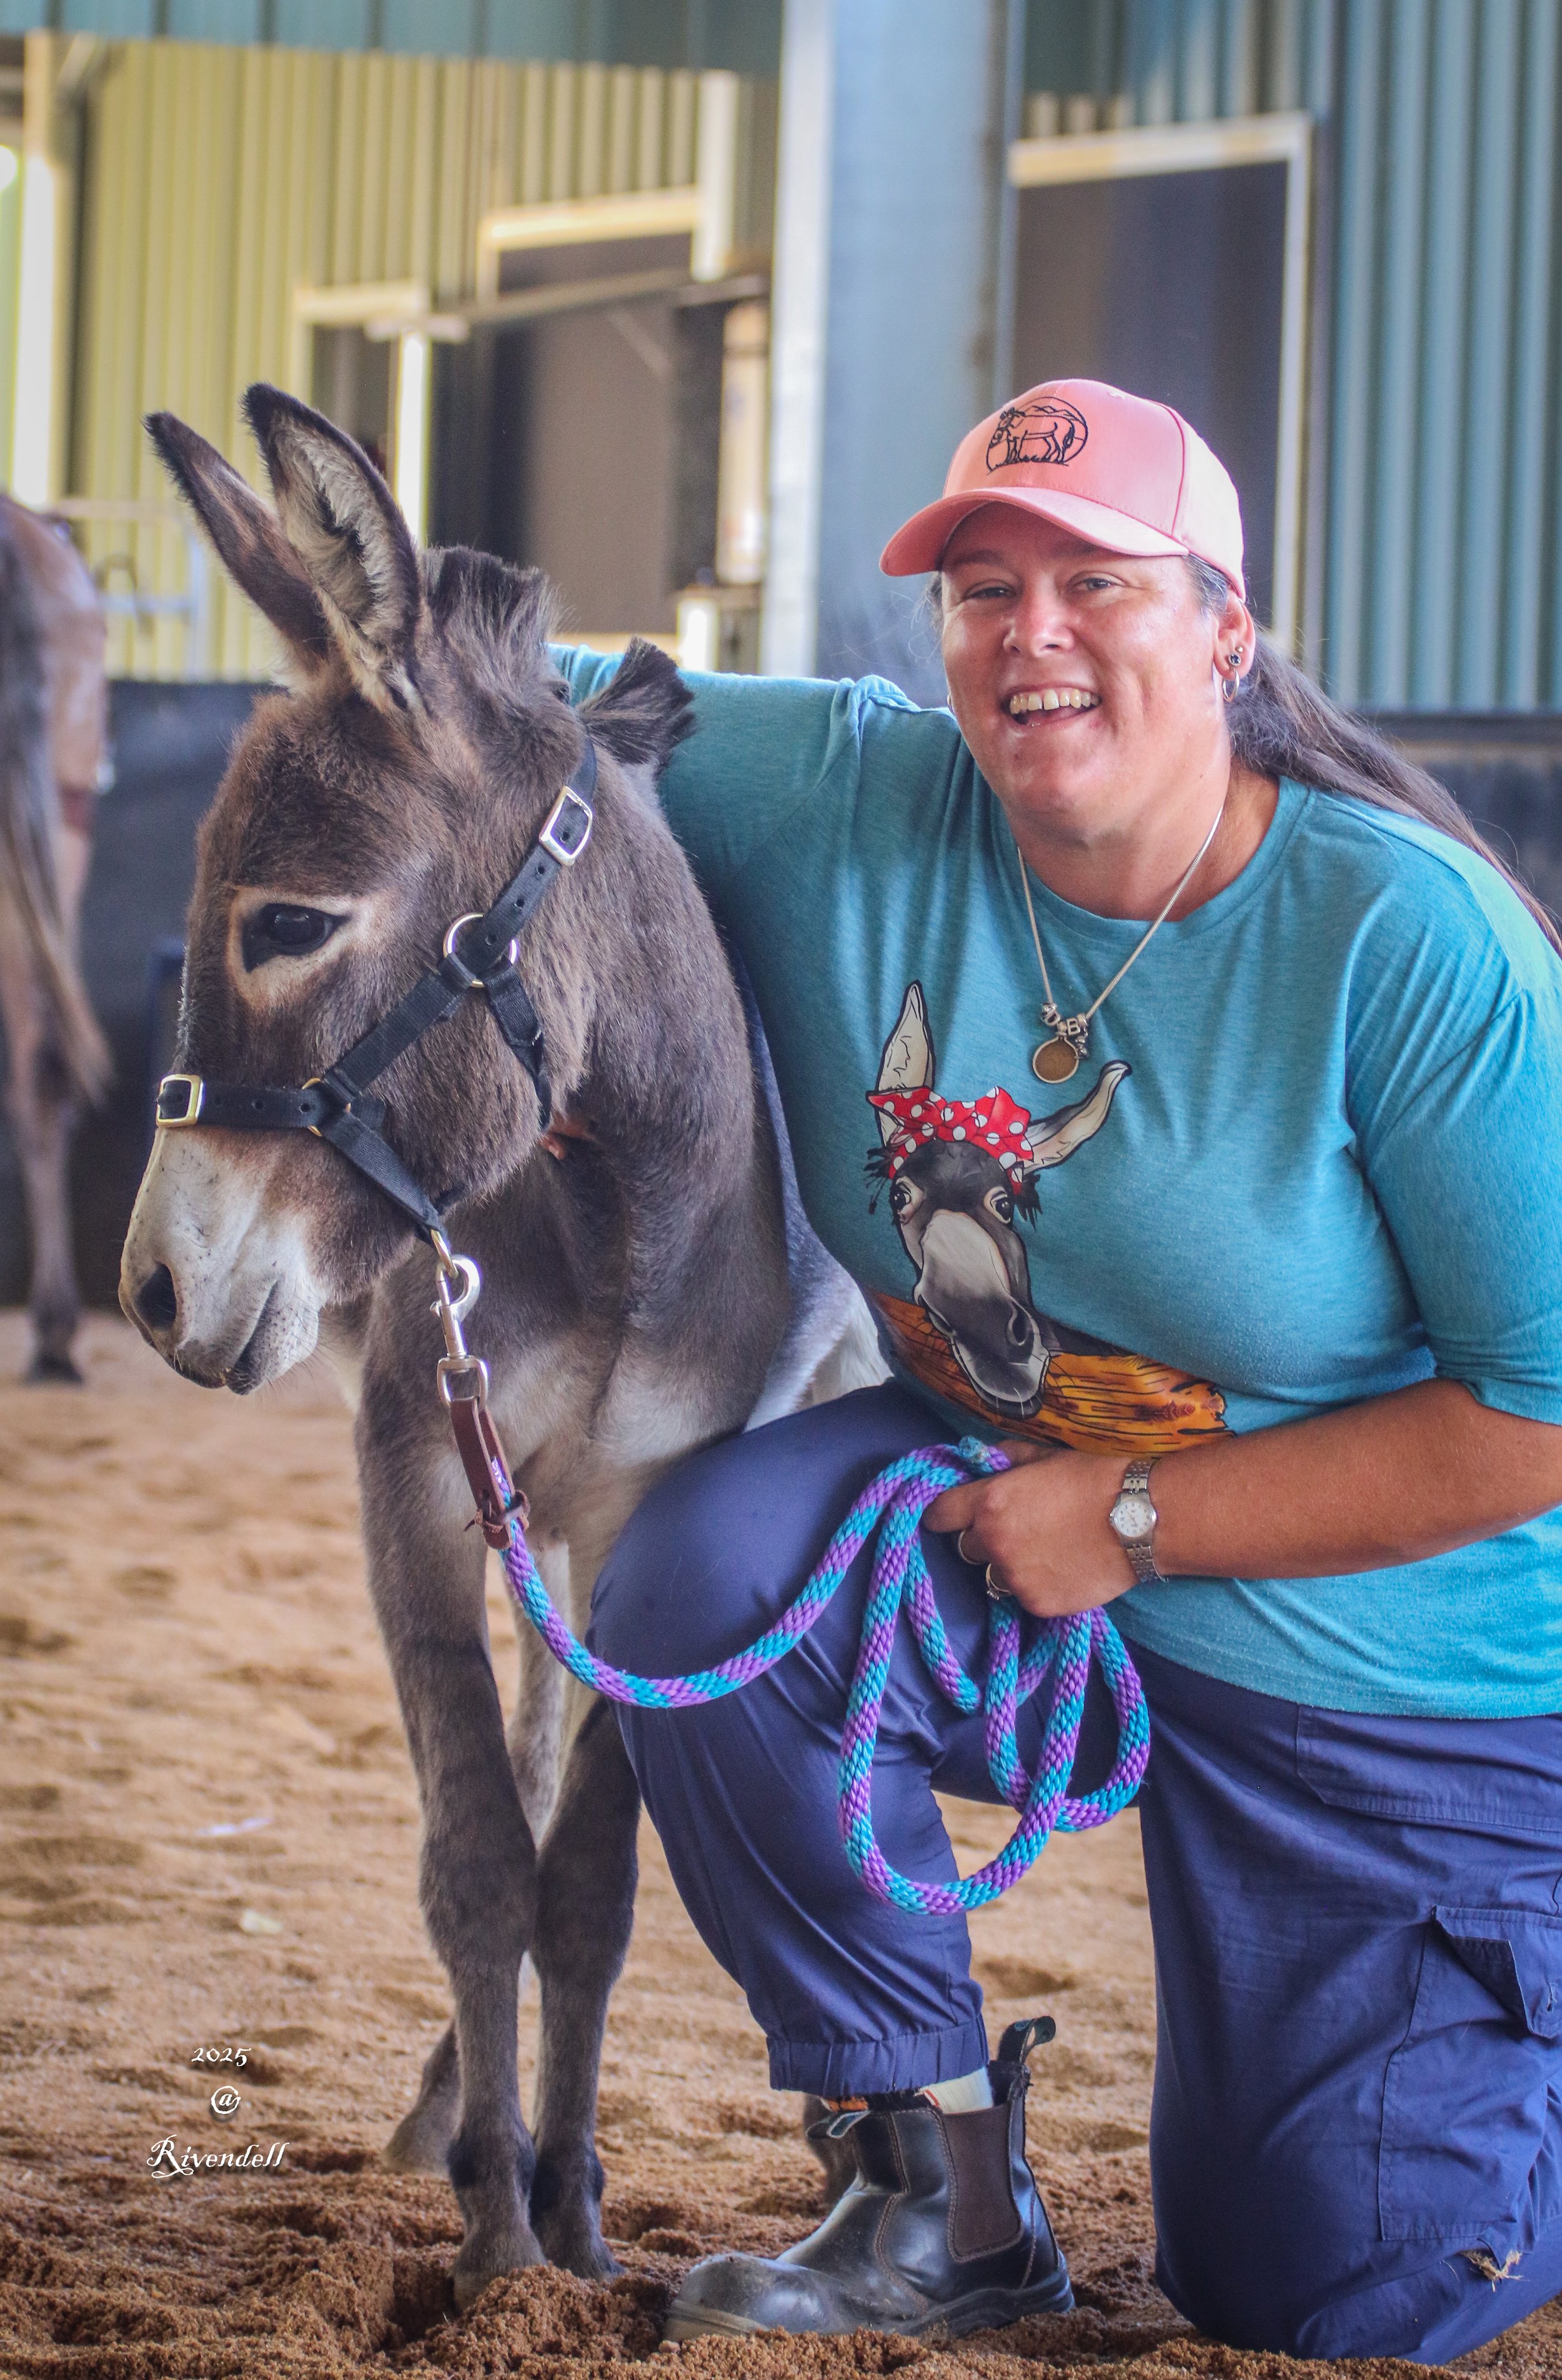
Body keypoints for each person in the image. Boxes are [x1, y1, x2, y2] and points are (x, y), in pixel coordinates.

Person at [557, 378, 1562, 2364]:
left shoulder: (1407, 946)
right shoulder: (840, 796)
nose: (1030, 633)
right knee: (721, 1589)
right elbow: (492, 689)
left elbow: (1536, 1412)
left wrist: (1128, 1518)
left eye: (1097, 581)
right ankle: (939, 2192)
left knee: (1318, 2290)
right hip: (1032, 1556)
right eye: (979, 587)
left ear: (1224, 628)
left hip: (1400, 1680)